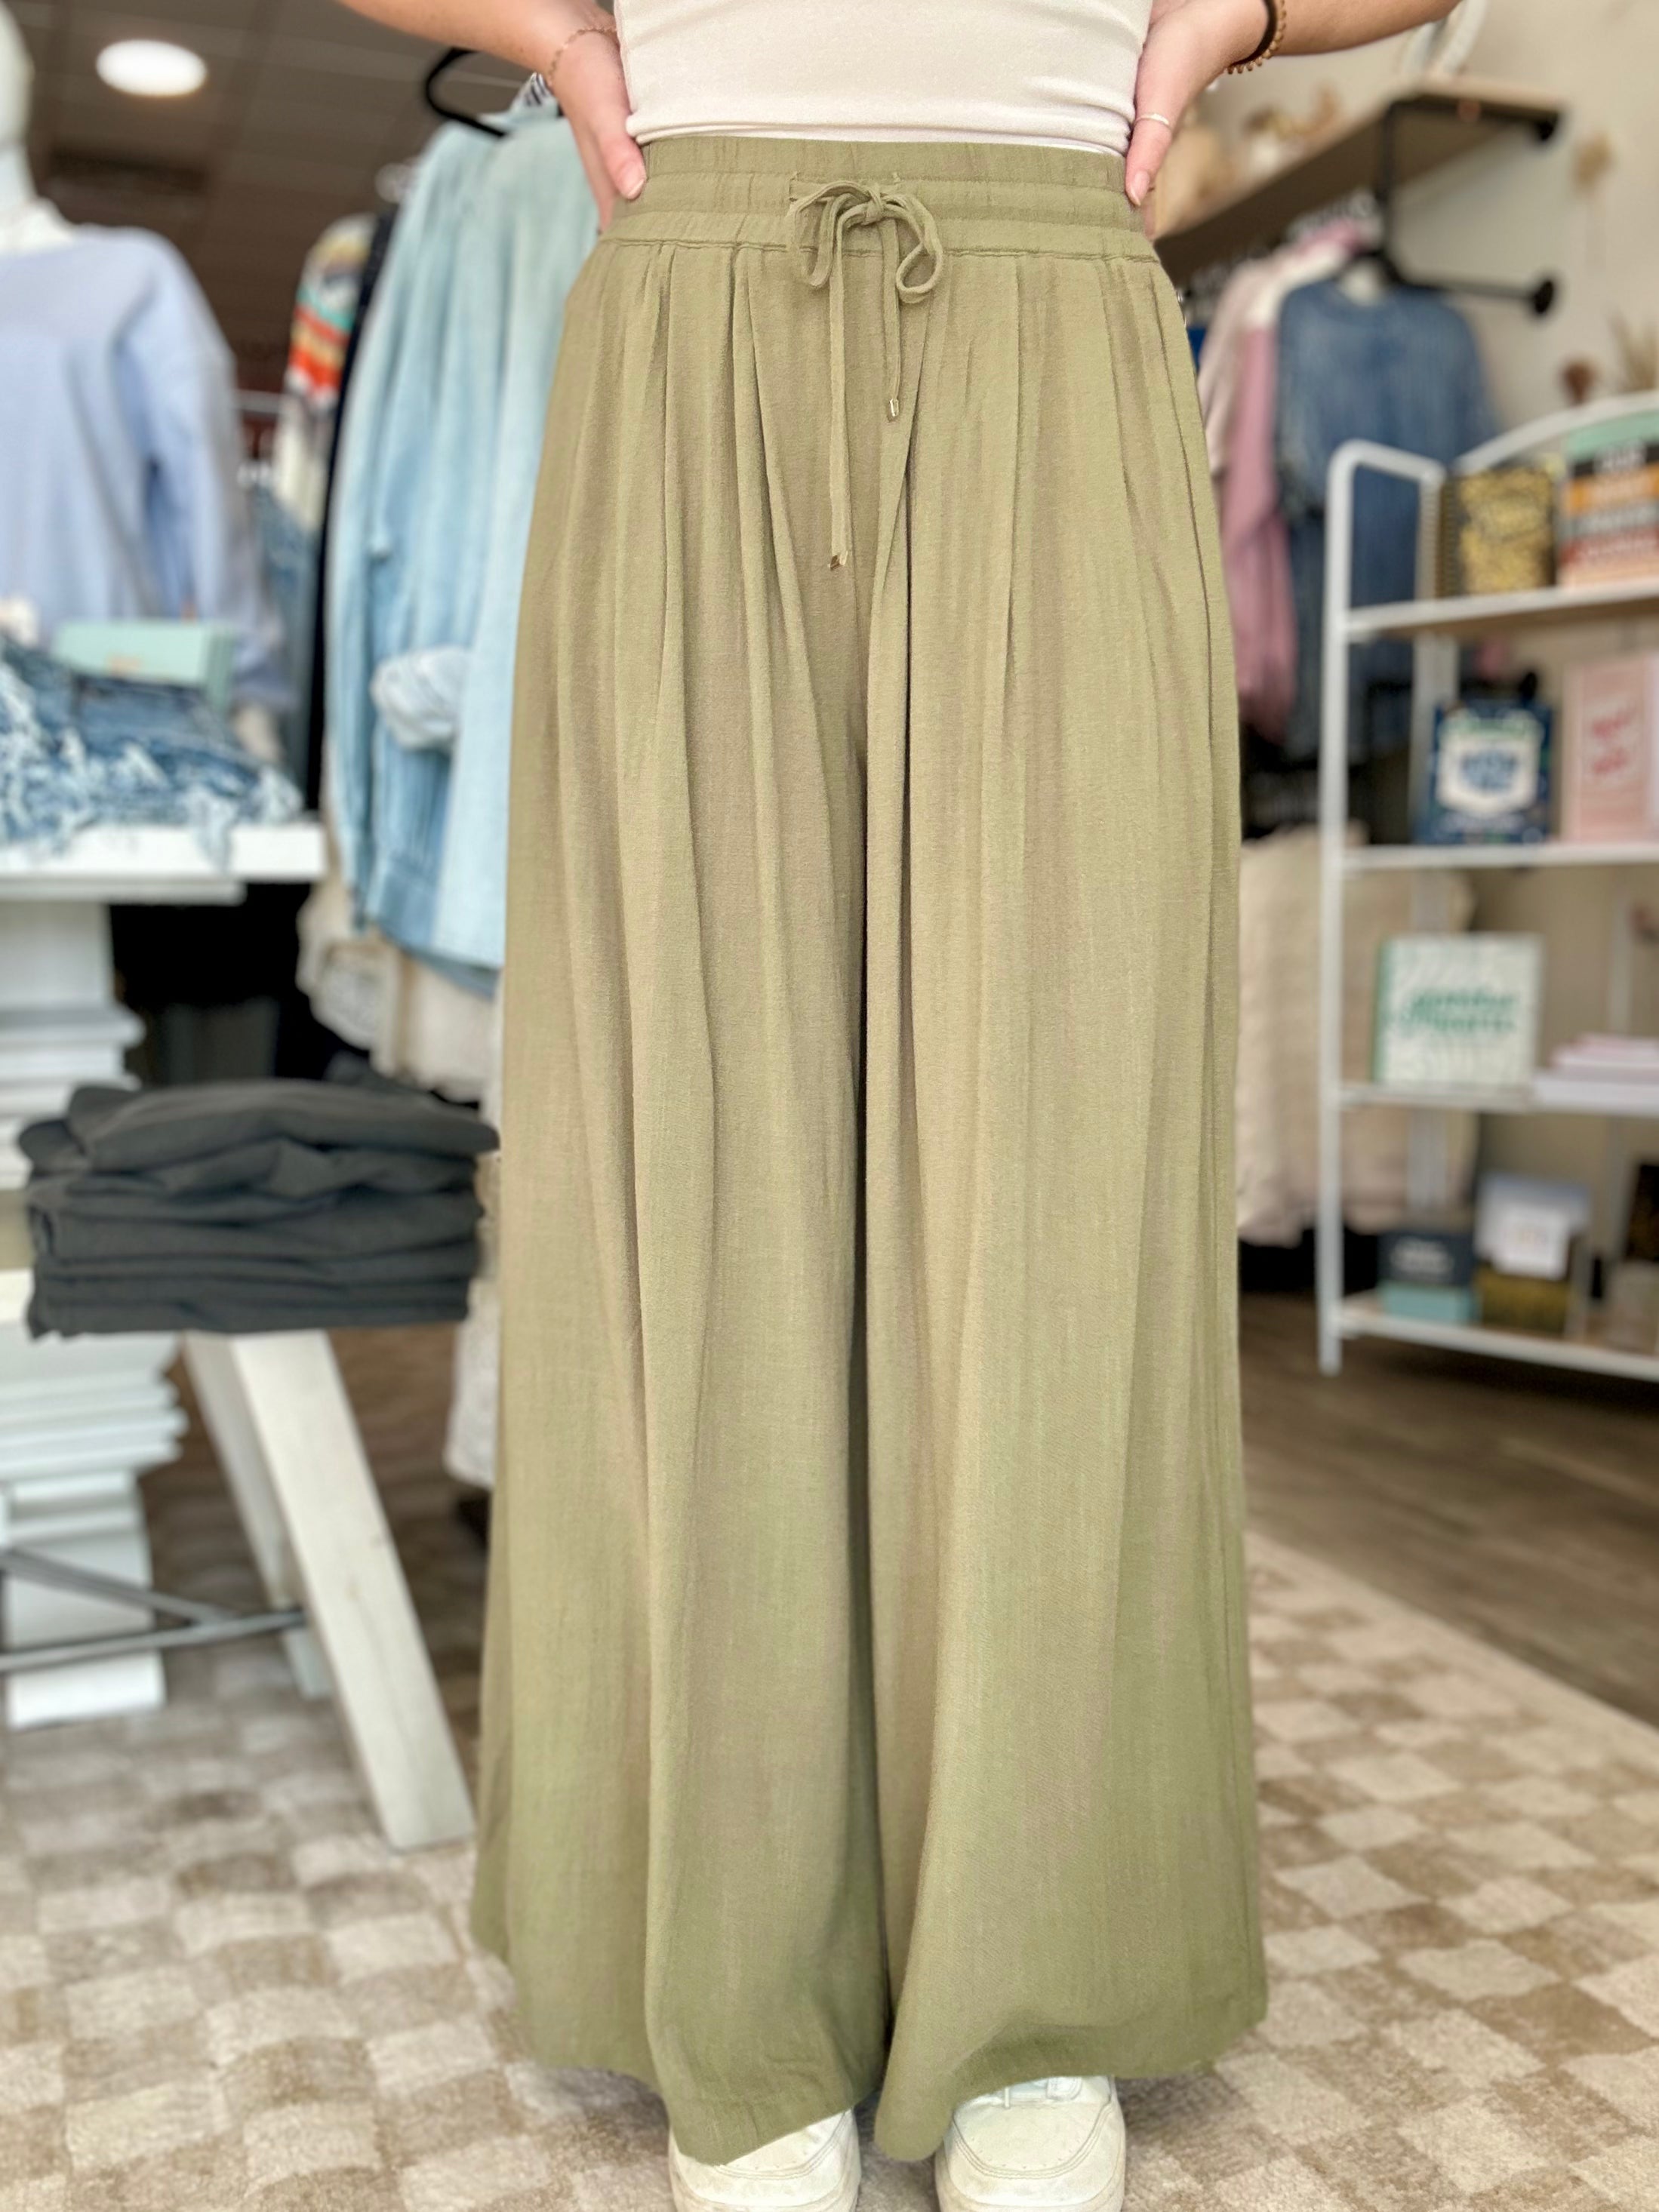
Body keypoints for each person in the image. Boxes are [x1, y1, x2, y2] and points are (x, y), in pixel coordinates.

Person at [336, 7, 1460, 2212]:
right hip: (694, 288)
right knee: (702, 1140)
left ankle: (1038, 1971)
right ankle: (737, 1968)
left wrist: (1232, 17)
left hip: (1059, 291)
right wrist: (547, 30)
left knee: (1061, 1144)